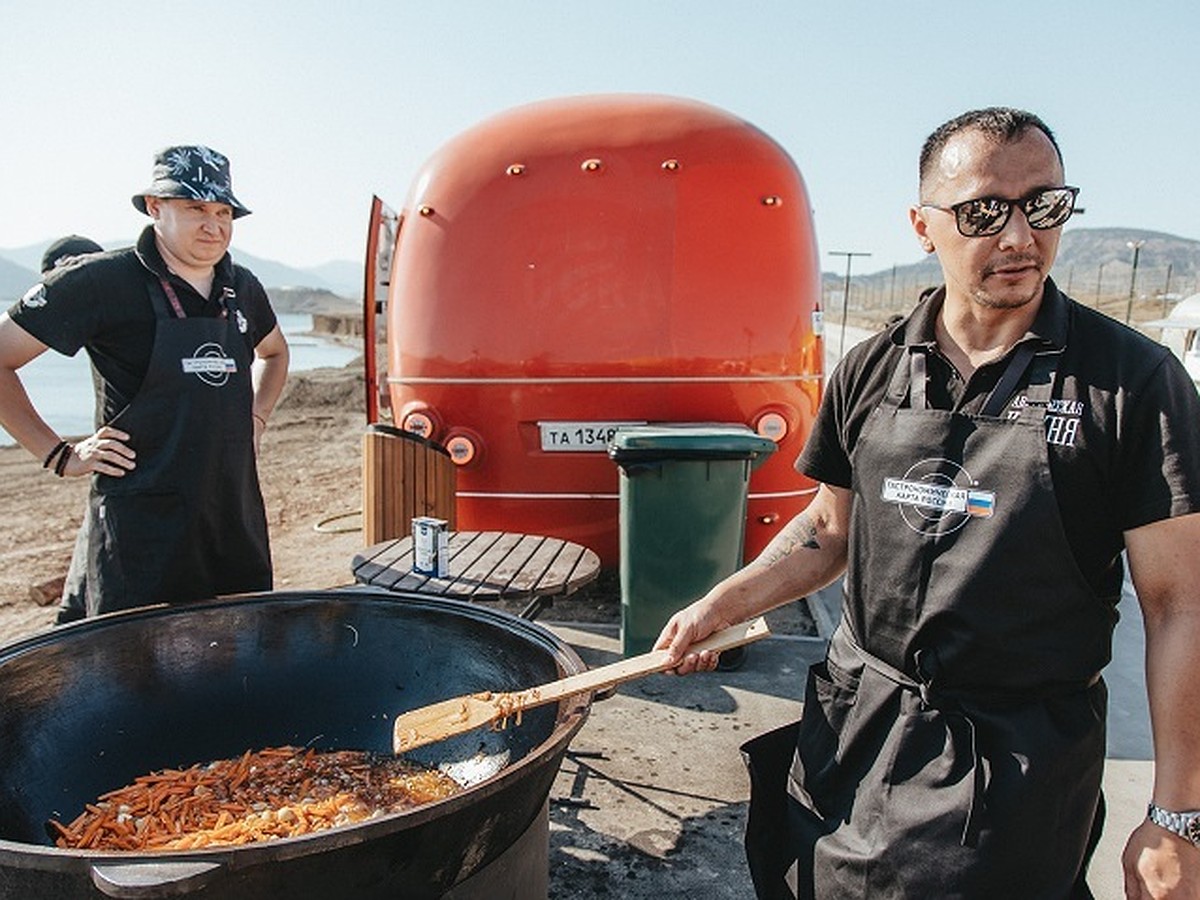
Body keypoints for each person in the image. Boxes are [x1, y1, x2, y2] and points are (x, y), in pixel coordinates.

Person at [656, 108, 1200, 899]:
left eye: (1043, 206)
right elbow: (829, 527)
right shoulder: (872, 369)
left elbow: (1181, 604)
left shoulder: (1134, 384)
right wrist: (723, 601)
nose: (1019, 236)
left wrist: (1177, 815)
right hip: (857, 733)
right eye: (983, 212)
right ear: (922, 225)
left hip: (1013, 768)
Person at [0, 144, 289, 621]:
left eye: (224, 211)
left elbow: (274, 353)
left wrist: (256, 415)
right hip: (141, 534)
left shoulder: (243, 287)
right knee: (137, 678)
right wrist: (60, 455)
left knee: (237, 663)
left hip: (232, 518)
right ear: (155, 207)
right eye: (195, 208)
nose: (214, 225)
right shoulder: (100, 283)